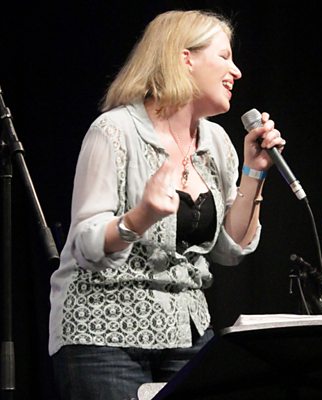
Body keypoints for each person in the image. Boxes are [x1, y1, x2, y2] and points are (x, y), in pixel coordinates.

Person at [49, 9, 286, 400]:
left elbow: (229, 250)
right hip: (104, 334)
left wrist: (253, 173)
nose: (236, 71)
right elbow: (84, 245)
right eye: (224, 56)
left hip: (186, 331)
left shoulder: (216, 142)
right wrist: (141, 216)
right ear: (185, 58)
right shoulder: (115, 131)